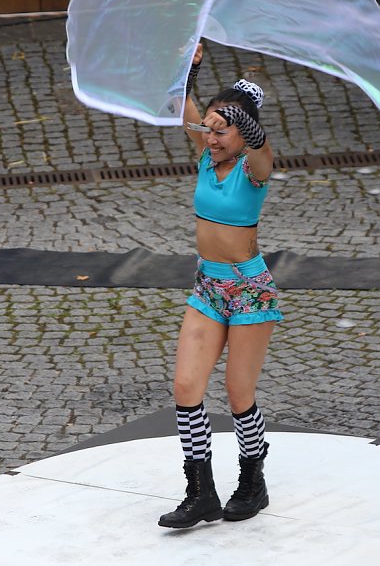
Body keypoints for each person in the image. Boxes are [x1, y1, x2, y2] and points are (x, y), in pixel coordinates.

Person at [158, 42, 283, 530]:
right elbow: (182, 106)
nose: (209, 137)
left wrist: (240, 118)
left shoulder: (256, 169)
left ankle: (253, 481)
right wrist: (190, 67)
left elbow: (260, 144)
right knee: (186, 386)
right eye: (206, 129)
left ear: (240, 131)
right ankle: (200, 492)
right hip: (207, 287)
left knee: (237, 394)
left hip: (250, 291)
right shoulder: (207, 157)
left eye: (219, 130)